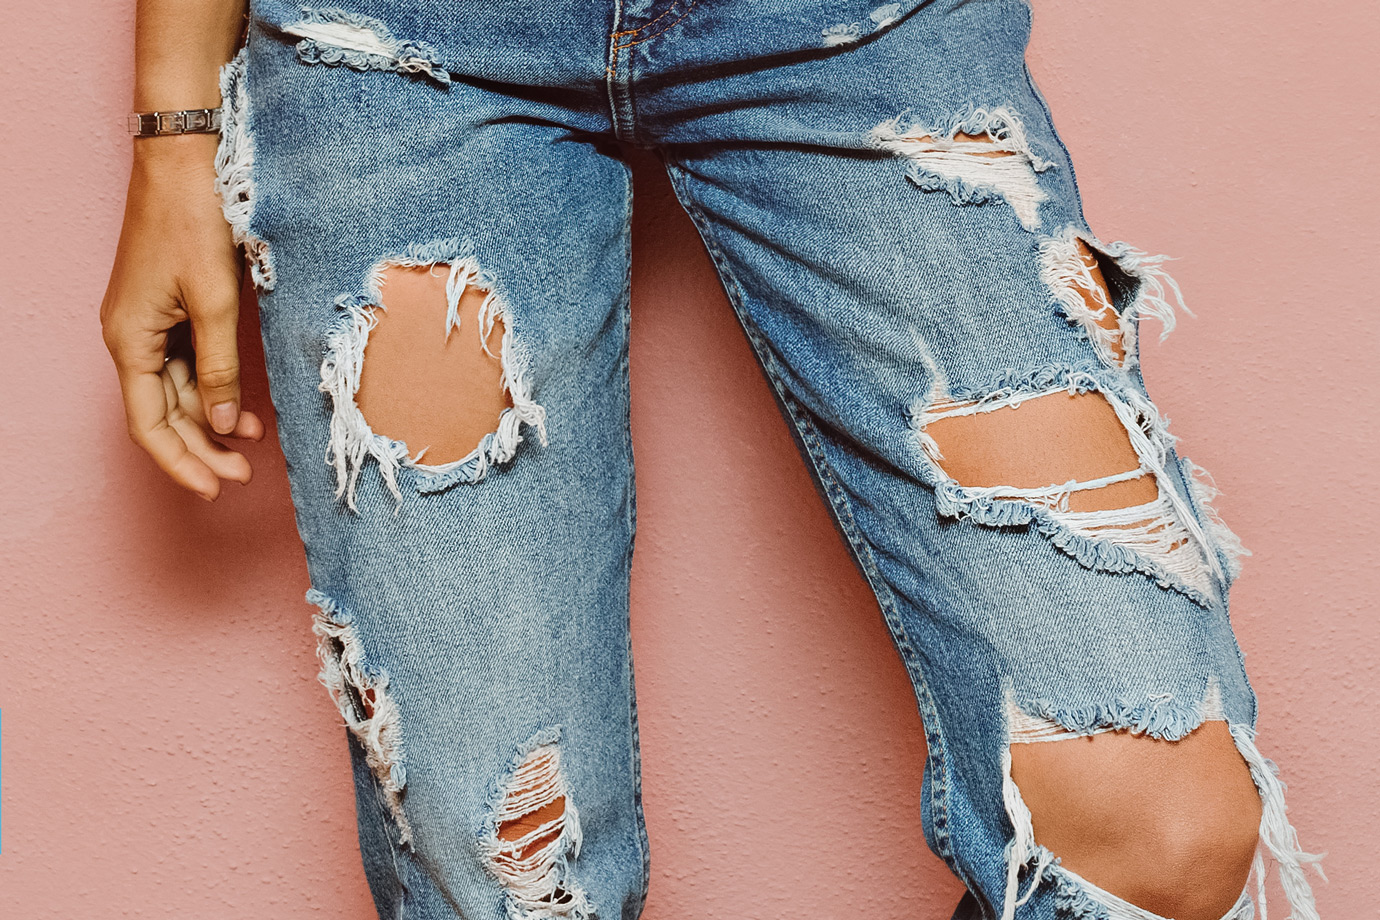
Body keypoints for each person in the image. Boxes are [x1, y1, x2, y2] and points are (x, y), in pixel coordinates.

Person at [101, 2, 1325, 918]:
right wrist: (172, 130)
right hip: (403, 50)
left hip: (853, 29)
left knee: (1161, 837)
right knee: (509, 878)